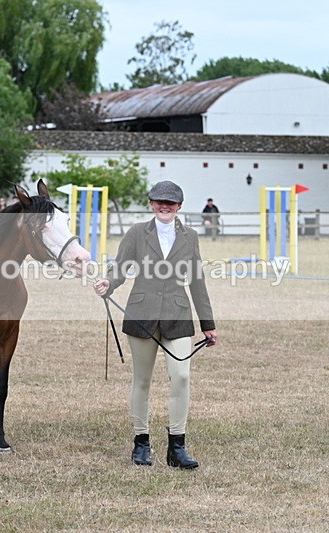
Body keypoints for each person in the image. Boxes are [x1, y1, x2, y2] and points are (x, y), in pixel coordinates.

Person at [93, 180, 216, 469]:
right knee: (143, 380)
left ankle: (177, 446)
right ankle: (141, 443)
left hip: (178, 313)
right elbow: (120, 267)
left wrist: (207, 323)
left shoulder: (190, 236)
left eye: (170, 202)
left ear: (179, 206)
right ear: (151, 203)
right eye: (159, 201)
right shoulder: (137, 232)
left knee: (181, 376)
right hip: (142, 313)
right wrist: (108, 282)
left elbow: (197, 280)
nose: (164, 205)